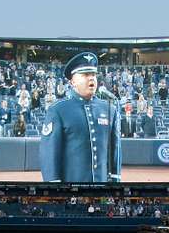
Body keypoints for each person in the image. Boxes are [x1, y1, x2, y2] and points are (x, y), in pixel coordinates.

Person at [40, 52, 122, 183]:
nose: (91, 79)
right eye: (85, 75)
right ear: (73, 81)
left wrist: (115, 181)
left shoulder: (109, 108)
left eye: (93, 75)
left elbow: (114, 151)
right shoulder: (58, 110)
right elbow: (50, 154)